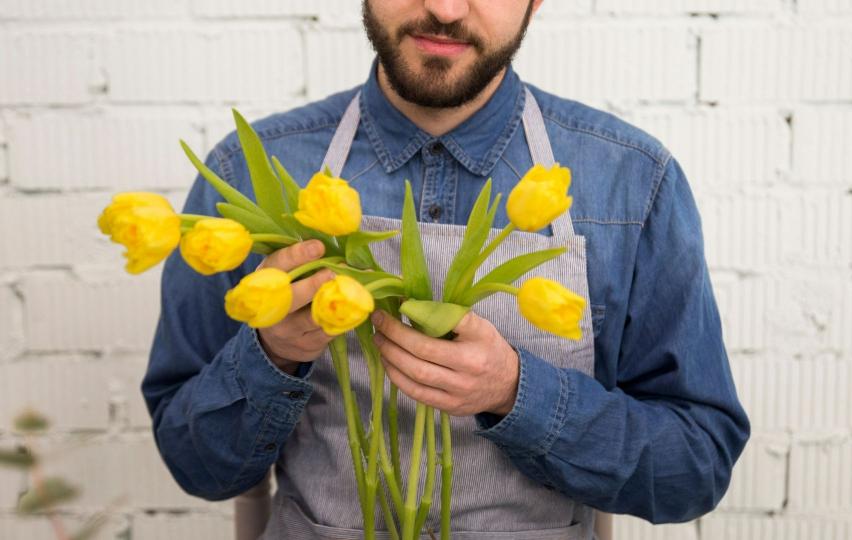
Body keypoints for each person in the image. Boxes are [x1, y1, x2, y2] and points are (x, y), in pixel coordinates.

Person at [142, 1, 750, 538]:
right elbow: (193, 463)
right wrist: (271, 352)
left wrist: (518, 393)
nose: (446, 8)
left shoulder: (630, 183)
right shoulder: (250, 175)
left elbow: (695, 469)